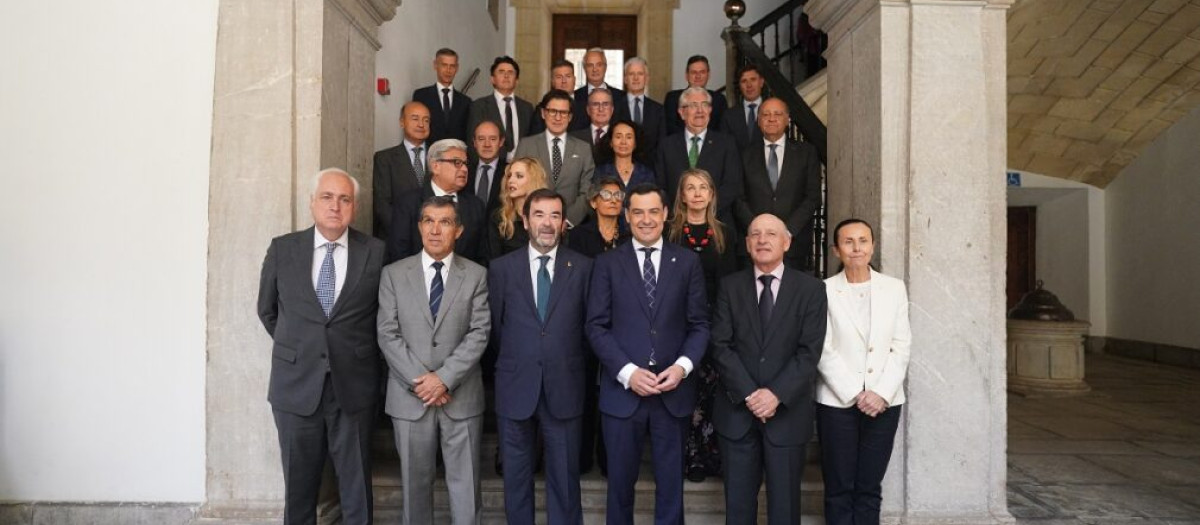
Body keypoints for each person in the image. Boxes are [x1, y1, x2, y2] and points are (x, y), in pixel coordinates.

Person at [257, 168, 385, 525]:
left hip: (354, 387)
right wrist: (302, 348)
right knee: (299, 489)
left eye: (344, 199)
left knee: (357, 487)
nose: (335, 206)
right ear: (312, 202)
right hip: (296, 386)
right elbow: (266, 310)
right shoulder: (283, 249)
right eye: (327, 197)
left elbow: (382, 316)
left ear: (354, 207)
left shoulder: (375, 252)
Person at [586, 183, 710, 525]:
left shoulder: (686, 262)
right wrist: (627, 372)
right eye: (637, 212)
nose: (645, 219)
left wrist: (682, 368)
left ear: (666, 214)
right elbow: (596, 326)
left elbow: (700, 324)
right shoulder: (607, 263)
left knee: (671, 488)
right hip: (623, 393)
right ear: (626, 216)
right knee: (619, 488)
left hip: (673, 393)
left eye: (653, 211)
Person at [377, 195, 491, 525]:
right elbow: (387, 334)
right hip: (409, 399)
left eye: (444, 222)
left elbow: (479, 332)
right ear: (419, 227)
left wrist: (443, 379)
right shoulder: (394, 274)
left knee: (466, 491)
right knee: (414, 490)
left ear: (458, 230)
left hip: (461, 397)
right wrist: (423, 382)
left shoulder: (477, 275)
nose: (435, 229)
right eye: (428, 221)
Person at [710, 213, 827, 524]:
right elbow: (720, 345)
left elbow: (809, 351)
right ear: (747, 244)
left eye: (771, 234)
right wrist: (751, 394)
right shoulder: (729, 287)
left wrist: (775, 394)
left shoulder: (811, 290)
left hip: (787, 414)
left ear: (786, 242)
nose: (763, 240)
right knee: (737, 508)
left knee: (785, 509)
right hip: (737, 414)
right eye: (756, 234)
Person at [489, 188, 593, 525]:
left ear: (564, 222)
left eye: (554, 216)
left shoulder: (583, 268)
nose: (547, 223)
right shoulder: (501, 269)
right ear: (524, 220)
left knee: (564, 480)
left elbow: (589, 329)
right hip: (515, 384)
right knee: (516, 480)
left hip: (565, 386)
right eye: (539, 215)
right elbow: (495, 328)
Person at [817, 218, 911, 525]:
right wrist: (856, 393)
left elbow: (901, 344)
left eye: (863, 241)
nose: (856, 248)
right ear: (836, 249)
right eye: (848, 242)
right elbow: (822, 347)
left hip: (885, 402)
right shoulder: (823, 290)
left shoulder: (894, 288)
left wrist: (880, 393)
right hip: (837, 402)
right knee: (839, 487)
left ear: (872, 246)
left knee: (869, 486)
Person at [665, 169, 737, 482]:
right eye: (690, 188)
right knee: (685, 392)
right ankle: (688, 456)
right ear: (681, 195)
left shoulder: (725, 233)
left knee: (711, 392)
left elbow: (732, 284)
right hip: (677, 325)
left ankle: (710, 454)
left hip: (716, 323)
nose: (696, 193)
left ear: (711, 195)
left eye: (703, 187)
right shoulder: (669, 233)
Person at [736, 98, 823, 271]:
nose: (771, 118)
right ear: (759, 121)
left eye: (778, 114)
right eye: (766, 114)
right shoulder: (744, 155)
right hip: (756, 245)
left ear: (787, 119)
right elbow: (738, 198)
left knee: (792, 295)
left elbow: (812, 197)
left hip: (793, 244)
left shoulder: (806, 153)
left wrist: (787, 231)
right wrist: (759, 230)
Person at [386, 139, 487, 265]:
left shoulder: (476, 206)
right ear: (435, 166)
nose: (465, 169)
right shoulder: (408, 204)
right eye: (457, 163)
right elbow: (399, 253)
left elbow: (483, 255)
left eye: (466, 163)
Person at [655, 86, 743, 226]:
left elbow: (731, 185)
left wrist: (703, 211)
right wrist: (681, 211)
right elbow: (661, 186)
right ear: (682, 112)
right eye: (693, 105)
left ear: (710, 110)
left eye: (705, 105)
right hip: (676, 223)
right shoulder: (667, 145)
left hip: (716, 224)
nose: (700, 111)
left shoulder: (726, 144)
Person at [513, 89, 595, 227]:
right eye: (552, 111)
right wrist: (530, 218)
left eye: (563, 113)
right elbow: (515, 185)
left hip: (570, 228)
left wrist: (567, 220)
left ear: (570, 117)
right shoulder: (526, 145)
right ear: (543, 113)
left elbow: (587, 190)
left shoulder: (583, 148)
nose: (558, 118)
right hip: (532, 226)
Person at [373, 101, 431, 240]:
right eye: (415, 118)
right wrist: (404, 232)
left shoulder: (440, 157)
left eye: (426, 120)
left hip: (434, 238)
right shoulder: (385, 158)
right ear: (402, 122)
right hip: (397, 239)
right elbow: (382, 204)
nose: (421, 124)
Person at [468, 56, 534, 160]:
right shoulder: (478, 106)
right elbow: (473, 141)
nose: (506, 75)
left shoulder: (527, 108)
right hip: (491, 166)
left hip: (522, 167)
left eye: (511, 72)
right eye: (501, 72)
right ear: (493, 79)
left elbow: (531, 140)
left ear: (516, 80)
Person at [487, 157, 550, 259]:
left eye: (519, 176)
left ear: (533, 181)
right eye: (509, 176)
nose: (511, 180)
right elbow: (493, 260)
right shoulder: (498, 218)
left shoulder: (549, 217)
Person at [412, 48, 470, 144]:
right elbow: (415, 128)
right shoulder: (421, 96)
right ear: (435, 65)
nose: (448, 70)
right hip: (429, 154)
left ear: (457, 68)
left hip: (456, 155)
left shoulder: (466, 102)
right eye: (444, 65)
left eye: (452, 66)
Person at [663, 55, 727, 136]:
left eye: (702, 72)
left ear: (708, 75)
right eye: (694, 72)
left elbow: (722, 130)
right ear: (686, 75)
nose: (698, 76)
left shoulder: (719, 100)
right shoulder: (672, 98)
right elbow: (669, 128)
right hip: (680, 145)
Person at [568, 177, 630, 257]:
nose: (614, 200)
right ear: (593, 203)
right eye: (606, 195)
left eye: (618, 195)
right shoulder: (579, 234)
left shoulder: (629, 234)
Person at [623, 57, 666, 161]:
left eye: (640, 74)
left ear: (647, 79)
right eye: (631, 74)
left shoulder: (658, 110)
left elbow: (661, 145)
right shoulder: (614, 107)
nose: (636, 78)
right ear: (625, 79)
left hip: (650, 170)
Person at [594, 119, 656, 191]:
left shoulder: (646, 174)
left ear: (635, 143)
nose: (623, 142)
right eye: (618, 137)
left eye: (629, 137)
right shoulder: (601, 172)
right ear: (610, 142)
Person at [574, 48, 629, 128]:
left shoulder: (622, 97)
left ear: (605, 67)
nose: (595, 69)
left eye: (599, 65)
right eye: (590, 65)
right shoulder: (575, 97)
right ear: (584, 68)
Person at [720, 63, 766, 151]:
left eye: (753, 79)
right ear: (740, 86)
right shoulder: (729, 116)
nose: (749, 85)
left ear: (761, 82)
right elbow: (724, 147)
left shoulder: (774, 111)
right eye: (744, 81)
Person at [467, 119, 507, 220]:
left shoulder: (510, 172)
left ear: (501, 142)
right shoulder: (465, 171)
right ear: (474, 142)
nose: (487, 144)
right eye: (481, 139)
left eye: (493, 139)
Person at [529, 59, 580, 135]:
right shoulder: (541, 109)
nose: (564, 81)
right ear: (552, 81)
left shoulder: (585, 108)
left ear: (574, 80)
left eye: (568, 76)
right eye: (559, 77)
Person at [569, 87, 615, 156]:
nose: (601, 109)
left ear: (612, 110)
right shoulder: (573, 138)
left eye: (605, 104)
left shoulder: (620, 137)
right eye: (595, 104)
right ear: (588, 110)